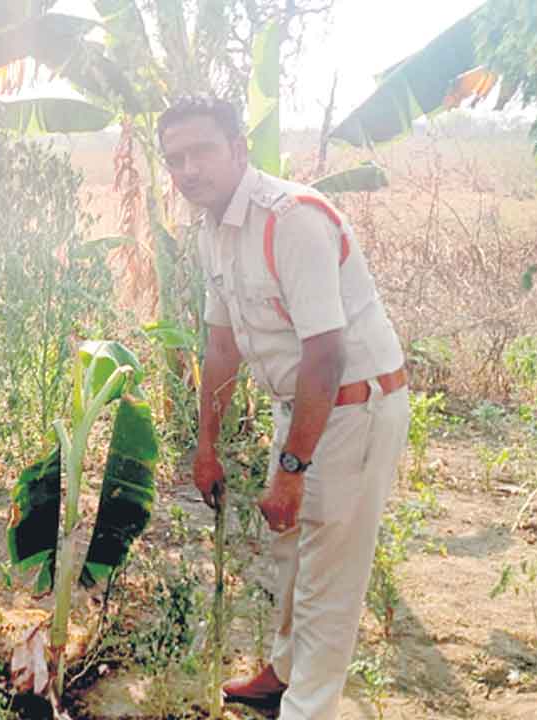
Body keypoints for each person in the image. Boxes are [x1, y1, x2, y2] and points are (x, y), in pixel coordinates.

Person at [160, 96, 410, 719]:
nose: (188, 170)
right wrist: (206, 445)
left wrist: (291, 472)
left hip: (353, 407)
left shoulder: (291, 219)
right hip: (300, 404)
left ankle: (308, 708)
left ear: (239, 150)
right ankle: (282, 674)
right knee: (289, 548)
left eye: (202, 151)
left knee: (329, 570)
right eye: (175, 159)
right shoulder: (211, 229)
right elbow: (221, 345)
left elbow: (326, 354)